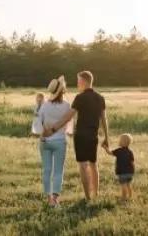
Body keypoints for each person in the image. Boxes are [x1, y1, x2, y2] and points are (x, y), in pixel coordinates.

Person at [43, 70, 108, 201]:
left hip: (81, 136)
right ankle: (96, 194)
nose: (78, 84)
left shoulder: (80, 98)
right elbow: (104, 119)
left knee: (83, 166)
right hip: (93, 136)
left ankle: (88, 197)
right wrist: (107, 137)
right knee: (93, 164)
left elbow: (68, 117)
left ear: (83, 82)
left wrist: (54, 128)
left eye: (78, 81)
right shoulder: (100, 98)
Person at [36, 76, 72, 207]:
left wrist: (43, 134)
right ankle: (55, 198)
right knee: (58, 171)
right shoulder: (67, 106)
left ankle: (49, 198)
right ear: (62, 91)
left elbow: (38, 125)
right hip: (60, 142)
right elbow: (69, 125)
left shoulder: (45, 106)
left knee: (46, 170)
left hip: (45, 141)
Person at [104, 133, 134, 202]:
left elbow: (110, 153)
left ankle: (123, 198)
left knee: (123, 186)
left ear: (123, 142)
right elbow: (132, 162)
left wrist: (105, 148)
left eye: (120, 140)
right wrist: (132, 171)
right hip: (130, 172)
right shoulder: (130, 152)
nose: (119, 141)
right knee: (128, 184)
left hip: (122, 172)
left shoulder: (119, 151)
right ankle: (130, 196)